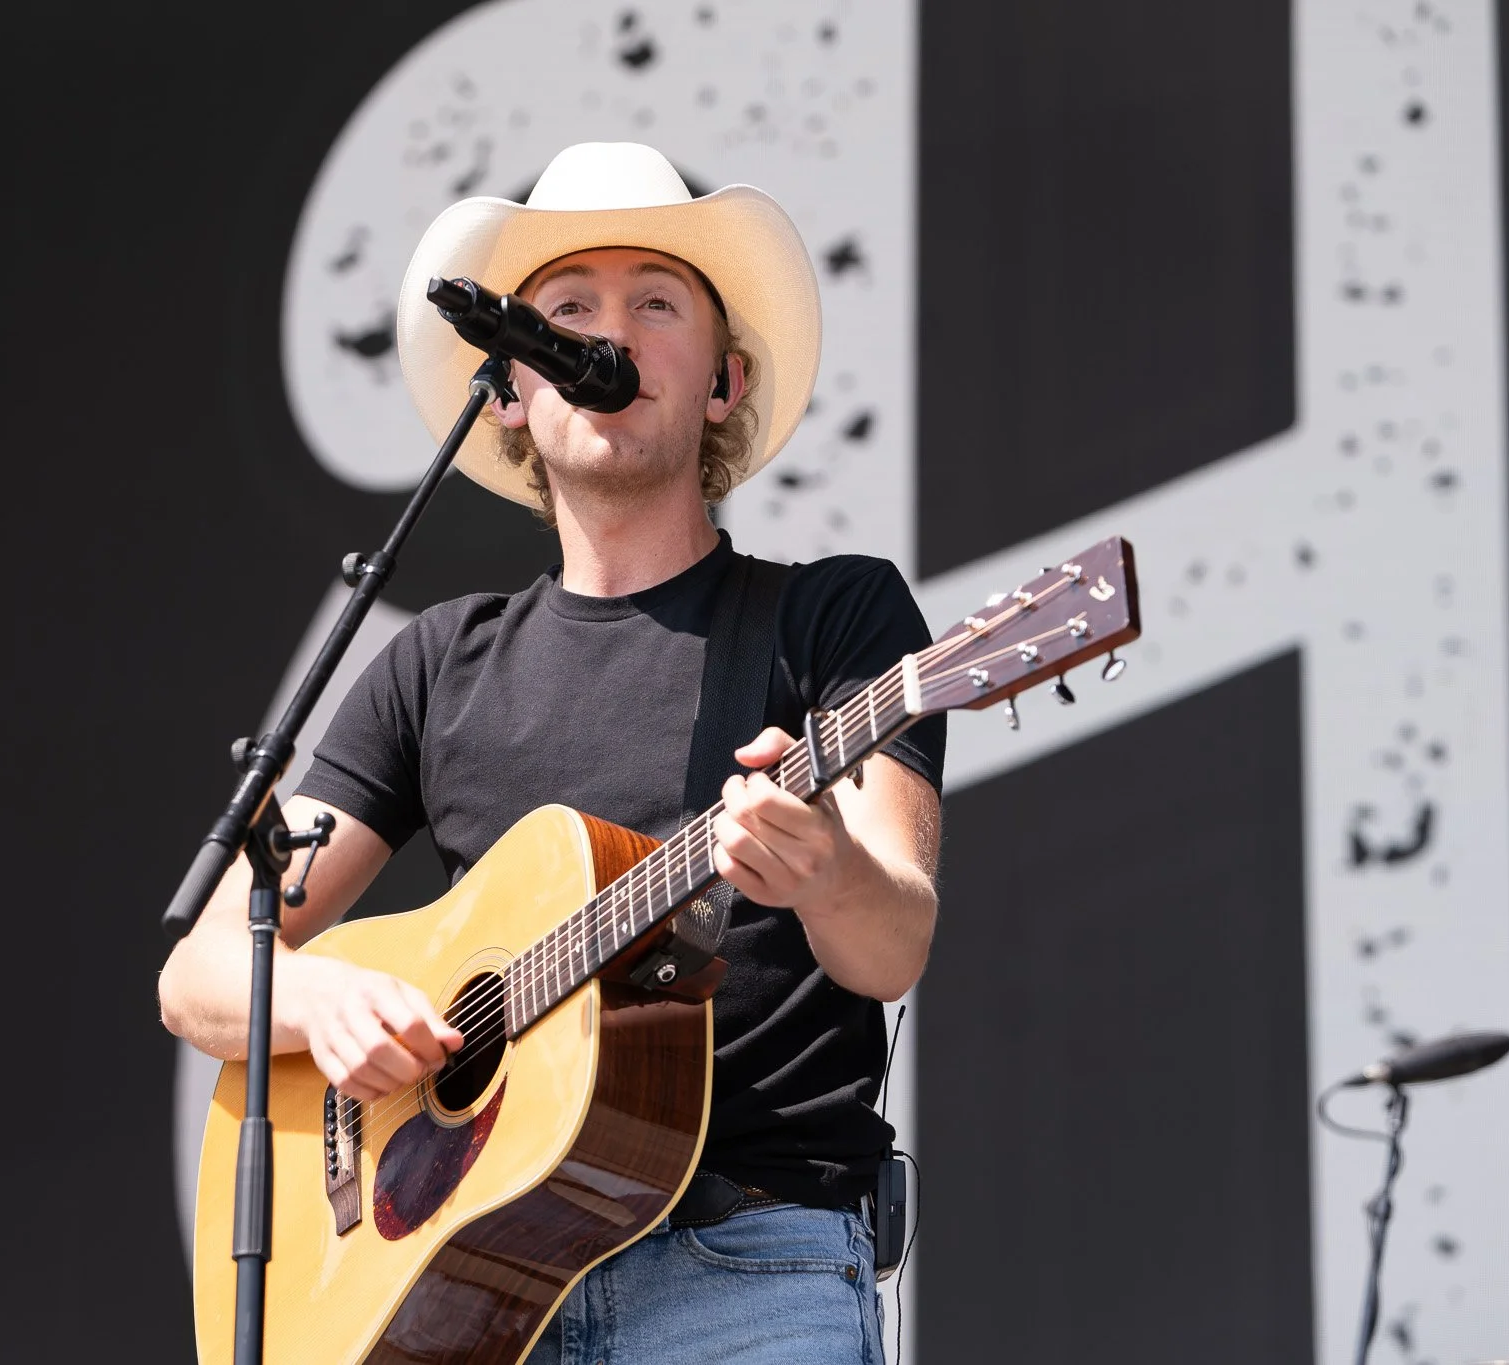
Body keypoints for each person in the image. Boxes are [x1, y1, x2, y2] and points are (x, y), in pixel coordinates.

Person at [159, 142, 944, 1365]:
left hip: (747, 1273)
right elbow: (203, 972)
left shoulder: (832, 619)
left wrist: (825, 868)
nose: (608, 334)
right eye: (567, 310)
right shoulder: (436, 664)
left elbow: (890, 946)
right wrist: (327, 1000)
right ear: (511, 389)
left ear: (724, 382)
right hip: (473, 1285)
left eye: (655, 303)